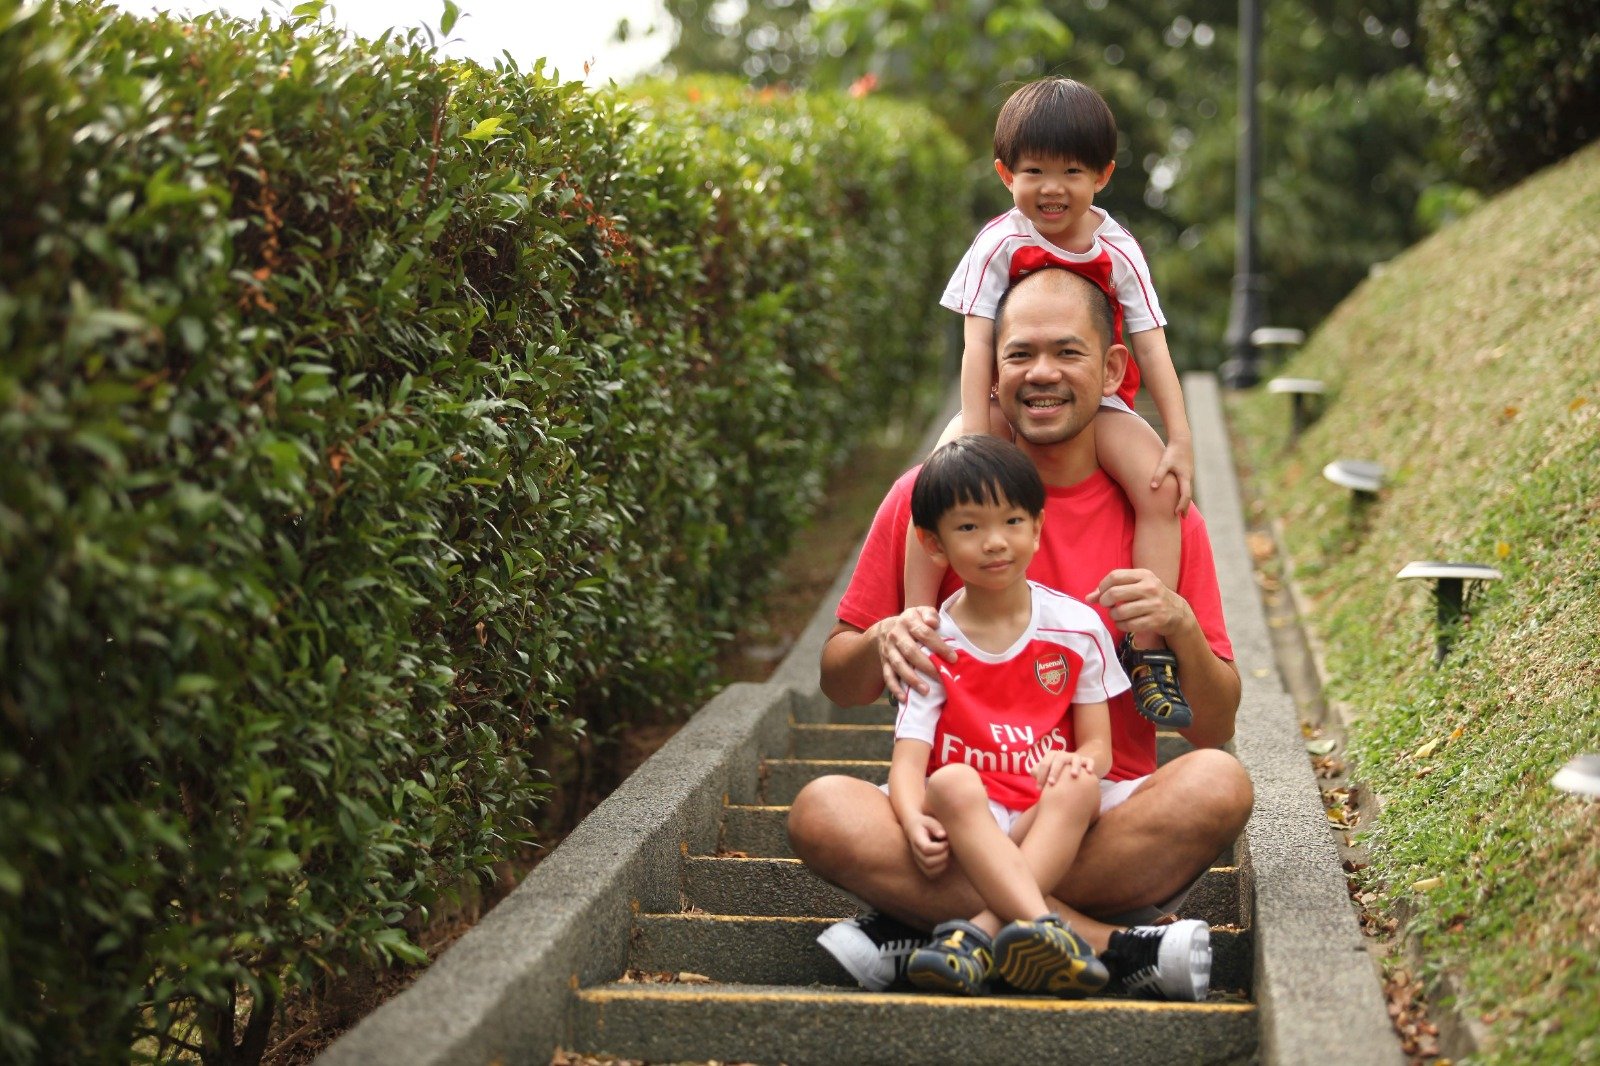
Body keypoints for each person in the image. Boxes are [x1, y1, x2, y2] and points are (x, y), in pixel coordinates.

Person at [794, 266, 1251, 1001]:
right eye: (1019, 355)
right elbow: (839, 682)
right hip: (955, 817)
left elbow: (1215, 727)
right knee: (821, 809)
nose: (1042, 374)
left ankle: (927, 931)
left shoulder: (1162, 514)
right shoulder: (930, 497)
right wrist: (884, 640)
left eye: (1067, 353)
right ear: (992, 374)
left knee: (1218, 785)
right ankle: (1110, 944)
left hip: (1096, 815)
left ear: (1112, 369)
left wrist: (1180, 626)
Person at [902, 76, 1197, 729]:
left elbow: (1151, 345)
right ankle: (917, 616)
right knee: (940, 473)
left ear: (1105, 175)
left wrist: (1179, 437)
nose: (1053, 187)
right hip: (1003, 396)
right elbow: (976, 343)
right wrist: (978, 432)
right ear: (1005, 173)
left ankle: (1147, 652)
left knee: (1156, 487)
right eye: (1034, 170)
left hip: (1096, 403)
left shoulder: (1117, 248)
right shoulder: (999, 243)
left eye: (1073, 171)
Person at [888, 434, 1127, 997]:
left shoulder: (1077, 627)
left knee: (1081, 783)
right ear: (934, 542)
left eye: (1013, 521)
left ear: (1038, 528)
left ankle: (979, 936)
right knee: (948, 780)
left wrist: (1074, 760)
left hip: (1038, 815)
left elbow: (1101, 750)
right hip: (968, 824)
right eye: (969, 527)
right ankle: (1047, 931)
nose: (995, 543)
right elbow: (907, 763)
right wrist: (907, 815)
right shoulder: (934, 642)